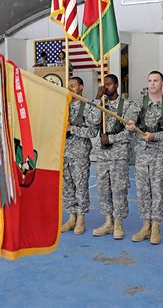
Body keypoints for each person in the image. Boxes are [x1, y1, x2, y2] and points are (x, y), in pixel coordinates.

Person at [88, 74, 138, 240]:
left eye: (109, 85)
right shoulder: (101, 104)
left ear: (116, 85)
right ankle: (108, 221)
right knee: (103, 189)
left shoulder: (128, 105)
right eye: (104, 85)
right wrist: (97, 99)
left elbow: (131, 131)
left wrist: (112, 138)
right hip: (102, 154)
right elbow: (92, 121)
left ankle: (118, 223)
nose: (106, 87)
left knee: (118, 189)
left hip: (119, 153)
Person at [129, 71, 163, 245]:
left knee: (157, 190)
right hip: (142, 153)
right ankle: (145, 225)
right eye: (149, 80)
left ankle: (156, 226)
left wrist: (155, 136)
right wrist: (130, 124)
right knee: (142, 190)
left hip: (160, 154)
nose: (152, 83)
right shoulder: (138, 103)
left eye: (156, 80)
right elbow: (130, 119)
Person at [61, 76, 98, 234]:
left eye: (73, 86)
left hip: (80, 153)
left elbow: (93, 131)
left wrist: (73, 129)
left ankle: (81, 218)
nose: (70, 89)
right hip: (64, 152)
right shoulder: (63, 106)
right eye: (68, 86)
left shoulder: (88, 107)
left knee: (80, 186)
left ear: (81, 87)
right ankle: (71, 217)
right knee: (67, 186)